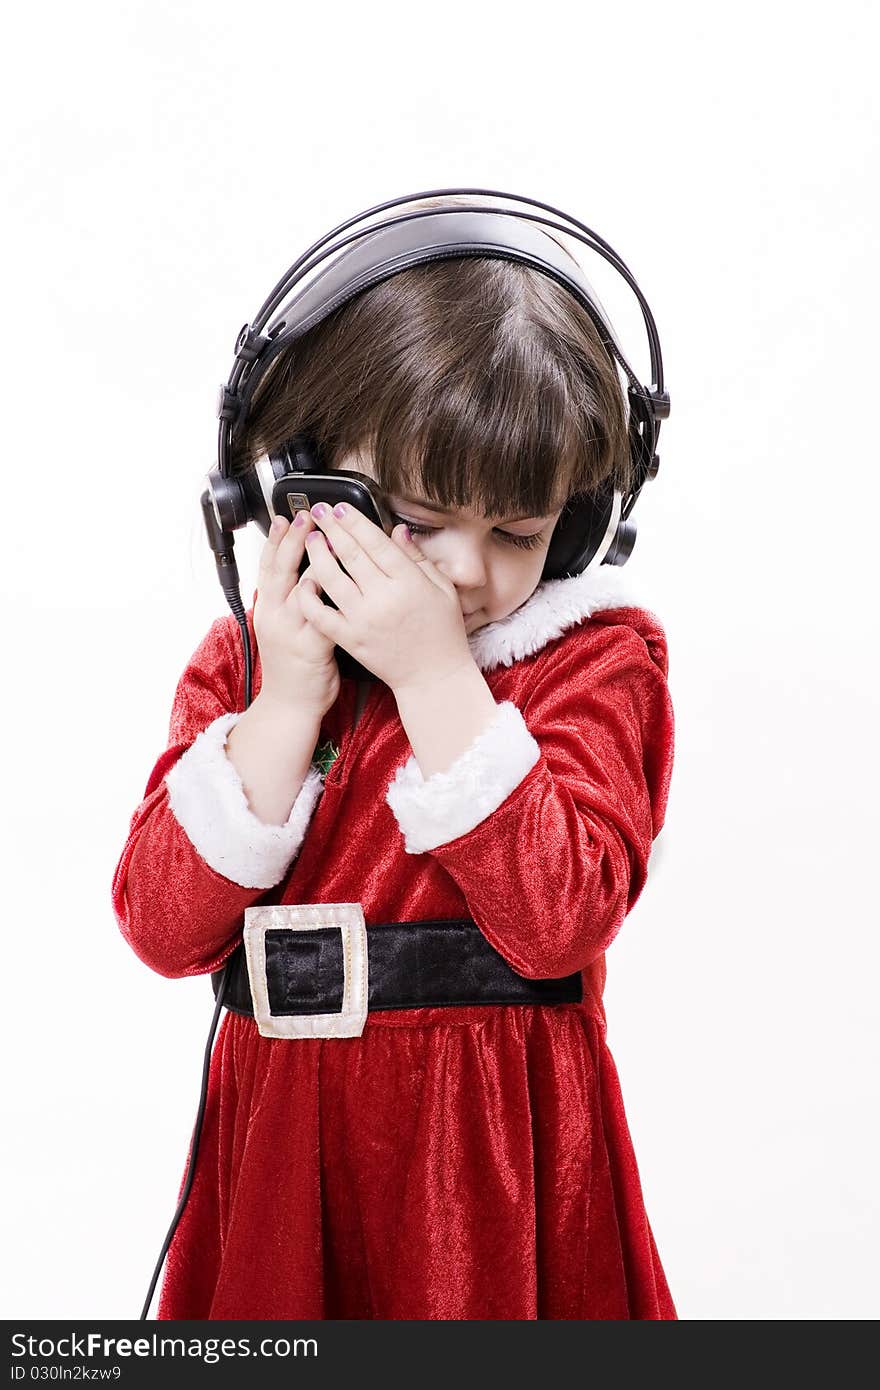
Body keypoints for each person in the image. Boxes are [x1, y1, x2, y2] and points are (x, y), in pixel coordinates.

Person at [111, 221, 677, 1320]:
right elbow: (162, 928)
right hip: (286, 1157)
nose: (468, 572)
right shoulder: (249, 661)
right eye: (418, 522)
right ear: (294, 487)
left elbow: (558, 919)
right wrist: (285, 704)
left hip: (496, 1161)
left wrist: (434, 679)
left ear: (580, 526)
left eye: (518, 532)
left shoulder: (594, 665)